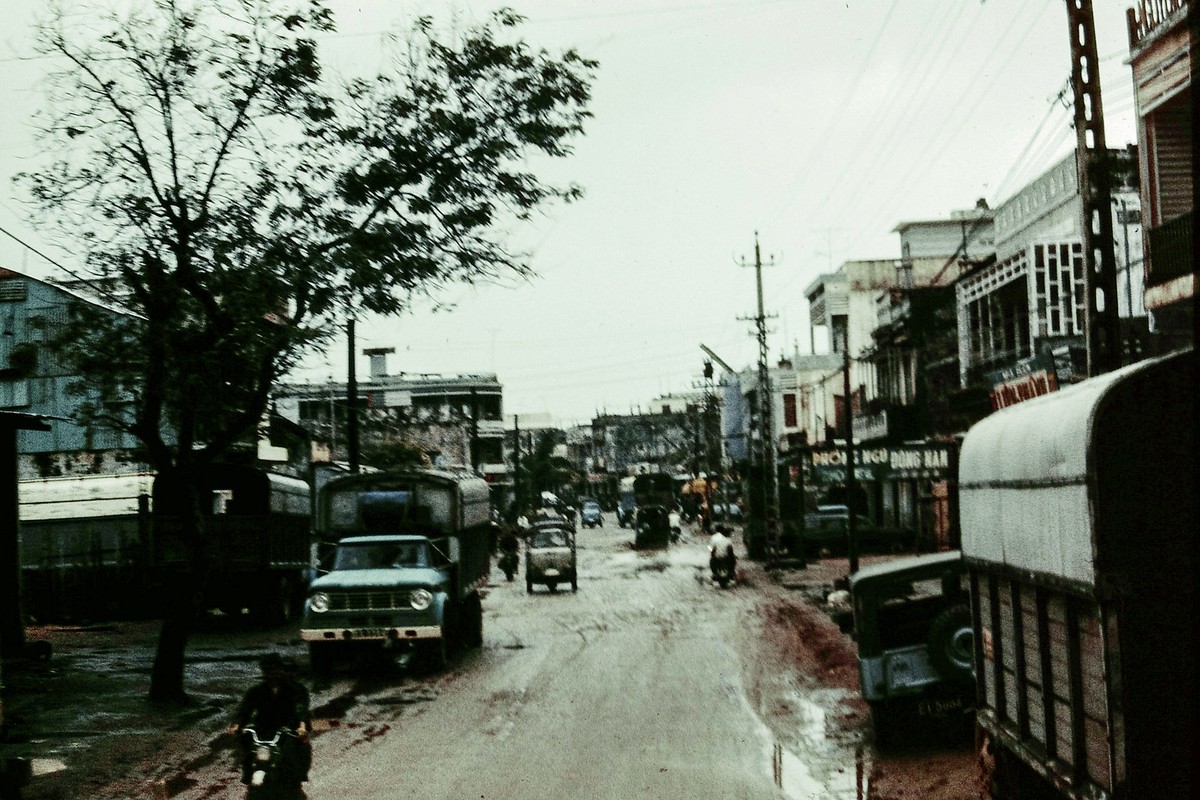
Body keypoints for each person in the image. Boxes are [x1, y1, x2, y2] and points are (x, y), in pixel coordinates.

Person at [227, 653, 307, 784]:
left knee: (298, 747)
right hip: (263, 728)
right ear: (263, 671)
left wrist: (301, 726)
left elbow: (300, 709)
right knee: (246, 743)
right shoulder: (255, 691)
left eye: (275, 669)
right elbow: (244, 710)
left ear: (281, 670)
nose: (272, 673)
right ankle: (247, 771)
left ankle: (299, 775)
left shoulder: (294, 690)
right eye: (268, 670)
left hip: (286, 728)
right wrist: (236, 725)